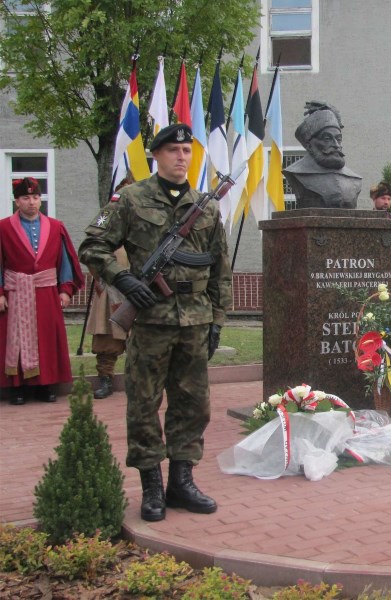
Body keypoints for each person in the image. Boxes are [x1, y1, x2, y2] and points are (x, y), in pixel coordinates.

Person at [79, 123, 233, 522]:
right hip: (150, 320)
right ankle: (151, 486)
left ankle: (181, 481)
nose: (181, 157)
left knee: (193, 404)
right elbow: (92, 246)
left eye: (187, 151)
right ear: (156, 155)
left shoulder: (206, 206)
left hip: (195, 321)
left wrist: (217, 320)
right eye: (173, 151)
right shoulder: (131, 199)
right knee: (144, 403)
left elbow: (220, 269)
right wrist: (124, 278)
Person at [0, 177, 84, 405]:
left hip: (46, 293)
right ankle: (17, 388)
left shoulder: (56, 227)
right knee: (15, 340)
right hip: (15, 293)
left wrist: (65, 289)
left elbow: (64, 261)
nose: (32, 202)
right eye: (26, 198)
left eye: (36, 197)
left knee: (46, 339)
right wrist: (0, 293)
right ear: (17, 201)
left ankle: (45, 386)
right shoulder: (3, 227)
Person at [282, 102, 362, 208]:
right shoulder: (297, 174)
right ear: (309, 145)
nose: (336, 145)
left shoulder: (354, 179)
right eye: (327, 139)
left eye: (338, 139)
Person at [86, 247, 129, 399]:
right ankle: (105, 380)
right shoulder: (105, 233)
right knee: (106, 341)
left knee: (143, 342)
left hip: (140, 287)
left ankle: (142, 381)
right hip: (109, 288)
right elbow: (91, 254)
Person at [371, 180, 391, 291]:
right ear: (374, 198)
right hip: (372, 268)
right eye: (383, 198)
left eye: (389, 199)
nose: (386, 202)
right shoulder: (366, 219)